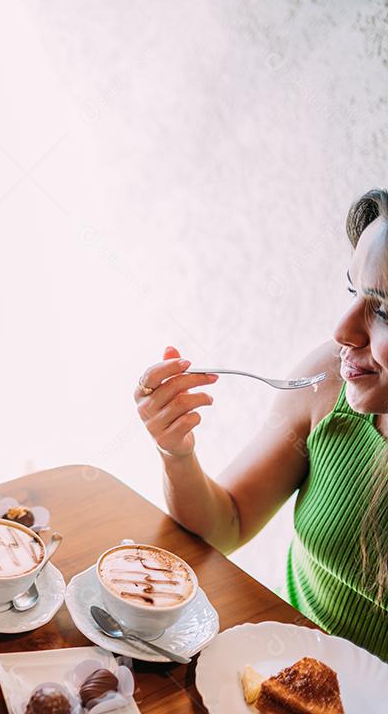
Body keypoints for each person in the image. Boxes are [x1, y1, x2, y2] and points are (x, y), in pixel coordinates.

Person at [134, 189, 388, 659]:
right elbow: (225, 523)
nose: (342, 331)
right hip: (279, 668)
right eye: (353, 292)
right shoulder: (330, 382)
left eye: (385, 310)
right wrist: (177, 451)